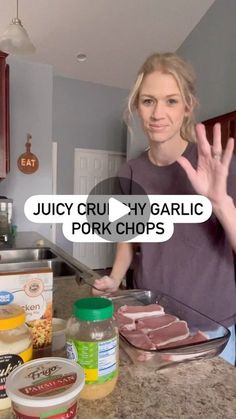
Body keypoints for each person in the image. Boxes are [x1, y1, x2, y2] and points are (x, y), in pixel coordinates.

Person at [93, 53, 236, 365]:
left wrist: (221, 203)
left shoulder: (218, 167)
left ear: (188, 107)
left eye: (171, 101)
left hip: (213, 330)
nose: (158, 113)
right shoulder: (130, 173)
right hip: (150, 323)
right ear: (137, 107)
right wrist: (115, 279)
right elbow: (128, 238)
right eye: (148, 101)